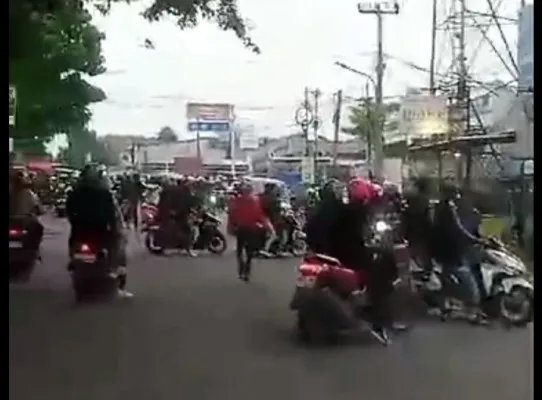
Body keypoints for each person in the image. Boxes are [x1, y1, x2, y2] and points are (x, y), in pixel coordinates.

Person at [66, 166, 133, 298]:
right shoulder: (106, 195)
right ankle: (118, 280)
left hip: (80, 232)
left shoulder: (75, 194)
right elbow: (113, 216)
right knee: (119, 251)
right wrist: (118, 229)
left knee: (74, 247)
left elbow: (69, 212)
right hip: (101, 233)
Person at [432, 185, 486, 320]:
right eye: (455, 194)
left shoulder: (439, 208)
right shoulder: (448, 209)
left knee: (446, 277)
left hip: (442, 249)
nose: (457, 197)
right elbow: (458, 228)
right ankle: (473, 311)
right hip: (452, 249)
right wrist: (474, 239)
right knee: (469, 282)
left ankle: (445, 306)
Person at [229, 182, 267, 282]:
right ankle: (246, 271)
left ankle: (242, 270)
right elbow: (259, 215)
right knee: (248, 251)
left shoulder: (238, 201)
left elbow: (233, 214)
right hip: (250, 228)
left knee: (241, 250)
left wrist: (232, 226)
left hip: (243, 228)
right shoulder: (255, 200)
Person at [9, 170, 44, 256]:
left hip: (16, 220)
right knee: (39, 228)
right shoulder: (28, 193)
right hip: (24, 220)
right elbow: (39, 208)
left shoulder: (27, 192)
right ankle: (34, 249)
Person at [258, 183, 281, 256]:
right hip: (266, 218)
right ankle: (265, 249)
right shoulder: (271, 198)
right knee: (273, 234)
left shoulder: (261, 196)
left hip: (260, 218)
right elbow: (273, 210)